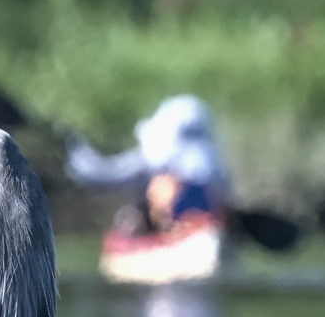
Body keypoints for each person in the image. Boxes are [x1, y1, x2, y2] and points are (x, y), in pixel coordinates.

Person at [66, 95, 230, 235]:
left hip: (190, 221)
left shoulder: (209, 173)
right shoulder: (150, 165)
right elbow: (99, 174)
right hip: (162, 222)